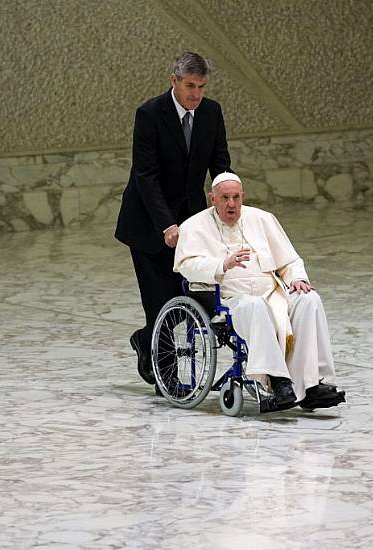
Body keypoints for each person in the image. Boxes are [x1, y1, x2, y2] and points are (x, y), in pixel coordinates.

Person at [173, 172, 346, 410]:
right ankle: (277, 382)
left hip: (273, 293)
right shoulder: (194, 226)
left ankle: (312, 384)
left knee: (309, 299)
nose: (231, 204)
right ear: (212, 198)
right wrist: (222, 264)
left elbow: (290, 260)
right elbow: (187, 267)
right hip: (230, 299)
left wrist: (297, 278)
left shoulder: (262, 219)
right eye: (224, 198)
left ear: (243, 196)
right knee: (254, 306)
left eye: (236, 197)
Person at [115, 51, 231, 386]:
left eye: (201, 87)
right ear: (174, 81)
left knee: (187, 294)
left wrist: (228, 198)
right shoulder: (150, 114)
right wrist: (167, 224)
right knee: (158, 300)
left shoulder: (211, 112)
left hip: (191, 219)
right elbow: (146, 176)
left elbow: (220, 162)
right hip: (149, 222)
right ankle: (167, 379)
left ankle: (144, 339)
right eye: (190, 86)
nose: (196, 94)